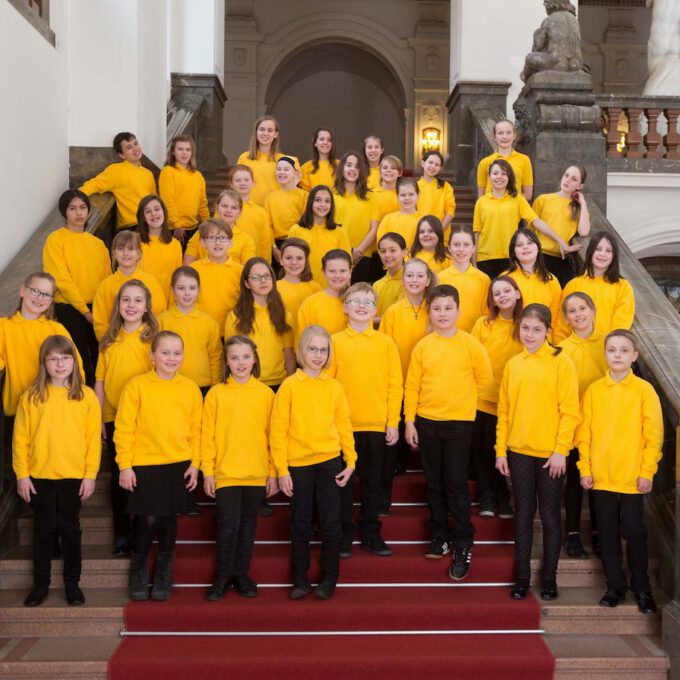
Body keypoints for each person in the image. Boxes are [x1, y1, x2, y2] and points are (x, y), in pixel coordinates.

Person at [405, 284, 492, 580]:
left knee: (455, 482)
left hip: (459, 424)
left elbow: (484, 378)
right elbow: (412, 386)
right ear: (431, 311)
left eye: (448, 308)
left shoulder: (469, 344)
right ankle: (440, 534)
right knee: (434, 482)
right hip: (428, 422)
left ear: (458, 310)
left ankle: (464, 539)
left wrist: (461, 401)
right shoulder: (423, 346)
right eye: (437, 308)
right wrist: (409, 421)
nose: (442, 313)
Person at [496, 303, 580, 601]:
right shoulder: (514, 364)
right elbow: (504, 411)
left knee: (549, 514)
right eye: (525, 328)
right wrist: (500, 451)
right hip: (518, 449)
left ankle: (549, 578)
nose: (530, 334)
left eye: (536, 329)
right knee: (523, 513)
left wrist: (561, 451)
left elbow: (570, 411)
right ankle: (521, 578)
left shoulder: (561, 362)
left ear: (548, 331)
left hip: (550, 454)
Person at [576, 329, 663, 615]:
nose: (617, 355)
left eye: (624, 350)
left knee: (635, 532)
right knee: (608, 533)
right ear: (605, 354)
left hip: (632, 478)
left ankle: (642, 588)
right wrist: (585, 469)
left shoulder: (644, 391)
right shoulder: (594, 391)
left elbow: (654, 435)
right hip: (601, 477)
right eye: (612, 349)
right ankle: (615, 586)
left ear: (634, 356)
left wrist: (647, 471)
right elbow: (583, 435)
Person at [13, 335, 101, 607]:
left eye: (65, 358)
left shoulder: (85, 396)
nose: (59, 364)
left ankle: (72, 584)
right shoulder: (32, 395)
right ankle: (41, 584)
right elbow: (20, 439)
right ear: (44, 363)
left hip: (74, 474)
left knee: (70, 529)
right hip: (40, 474)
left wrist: (90, 474)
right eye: (52, 358)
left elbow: (92, 440)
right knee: (43, 529)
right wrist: (22, 474)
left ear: (74, 361)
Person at [270, 324, 356, 600]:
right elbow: (278, 431)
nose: (318, 355)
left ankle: (329, 578)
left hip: (329, 462)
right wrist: (281, 470)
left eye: (323, 349)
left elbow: (344, 426)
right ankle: (300, 579)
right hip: (298, 465)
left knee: (331, 524)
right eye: (313, 349)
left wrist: (350, 461)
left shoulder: (334, 387)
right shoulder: (289, 386)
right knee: (300, 522)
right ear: (301, 350)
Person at [116, 331, 202, 602]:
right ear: (152, 355)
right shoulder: (137, 386)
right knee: (148, 518)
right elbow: (124, 429)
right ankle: (139, 567)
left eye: (177, 353)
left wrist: (196, 464)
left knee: (168, 519)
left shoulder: (189, 388)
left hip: (178, 463)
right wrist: (125, 465)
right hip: (144, 462)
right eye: (165, 352)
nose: (171, 358)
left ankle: (164, 571)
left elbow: (197, 430)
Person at [328, 283, 402, 558]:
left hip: (375, 424)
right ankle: (344, 533)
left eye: (368, 302)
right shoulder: (334, 342)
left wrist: (392, 421)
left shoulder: (385, 343)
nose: (362, 306)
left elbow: (395, 385)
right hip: (343, 427)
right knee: (343, 484)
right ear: (345, 306)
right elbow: (327, 385)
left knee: (373, 483)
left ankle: (371, 531)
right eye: (355, 301)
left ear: (375, 310)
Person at [201, 335, 276, 600]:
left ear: (254, 359)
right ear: (227, 362)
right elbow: (206, 436)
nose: (241, 362)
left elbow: (273, 437)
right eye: (234, 357)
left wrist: (274, 472)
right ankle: (222, 576)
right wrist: (207, 471)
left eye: (246, 357)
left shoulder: (266, 394)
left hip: (256, 474)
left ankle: (241, 574)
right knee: (227, 526)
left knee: (247, 526)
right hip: (226, 474)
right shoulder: (216, 394)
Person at [95, 280, 157, 556]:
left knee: (141, 478)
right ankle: (122, 535)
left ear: (146, 308)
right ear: (118, 306)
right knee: (120, 478)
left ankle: (141, 534)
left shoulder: (153, 339)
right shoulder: (109, 341)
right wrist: (98, 418)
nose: (131, 306)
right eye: (126, 300)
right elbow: (100, 381)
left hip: (144, 419)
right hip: (113, 416)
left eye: (137, 301)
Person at [378, 258, 436, 512]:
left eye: (419, 276)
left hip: (427, 386)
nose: (414, 280)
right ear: (403, 280)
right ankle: (385, 494)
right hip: (397, 382)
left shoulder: (435, 310)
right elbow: (385, 350)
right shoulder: (392, 312)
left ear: (427, 280)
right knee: (393, 442)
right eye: (409, 275)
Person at [43, 190, 111, 385]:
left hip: (97, 309)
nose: (78, 213)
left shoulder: (98, 244)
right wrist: (84, 311)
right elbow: (61, 280)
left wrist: (100, 310)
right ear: (65, 212)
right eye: (72, 208)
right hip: (70, 310)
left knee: (101, 360)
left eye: (82, 208)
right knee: (76, 358)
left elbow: (107, 281)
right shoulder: (55, 240)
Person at [558, 292, 606, 558]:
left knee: (600, 480)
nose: (578, 314)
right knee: (575, 481)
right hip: (576, 424)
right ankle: (574, 534)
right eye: (572, 311)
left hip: (603, 423)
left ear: (593, 310)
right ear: (566, 318)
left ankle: (600, 532)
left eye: (582, 308)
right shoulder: (563, 350)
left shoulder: (608, 343)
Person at [471, 276, 524, 518]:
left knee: (498, 449)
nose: (501, 296)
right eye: (496, 293)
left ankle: (503, 496)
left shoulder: (525, 325)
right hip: (481, 397)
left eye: (506, 291)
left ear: (517, 293)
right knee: (481, 449)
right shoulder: (484, 323)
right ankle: (487, 496)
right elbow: (472, 358)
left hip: (509, 400)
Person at [473, 159, 576, 280]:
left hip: (510, 257)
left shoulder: (517, 199)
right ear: (489, 177)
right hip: (485, 258)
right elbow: (477, 234)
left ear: (509, 177)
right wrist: (474, 263)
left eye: (504, 173)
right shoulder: (481, 202)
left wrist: (560, 241)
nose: (499, 177)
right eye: (495, 173)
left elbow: (536, 222)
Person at [0, 272, 80, 423]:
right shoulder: (4, 326)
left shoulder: (57, 329)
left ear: (51, 301)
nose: (39, 297)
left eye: (45, 294)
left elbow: (76, 367)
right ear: (22, 291)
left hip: (53, 406)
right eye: (35, 291)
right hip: (17, 410)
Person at [224, 258, 296, 390]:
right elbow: (230, 354)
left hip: (278, 383)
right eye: (256, 277)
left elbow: (289, 354)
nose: (263, 281)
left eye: (267, 276)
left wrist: (289, 386)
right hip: (247, 383)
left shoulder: (285, 315)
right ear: (247, 283)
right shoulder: (235, 316)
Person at [554, 231, 635, 343]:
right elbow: (562, 325)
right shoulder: (574, 285)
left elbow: (621, 326)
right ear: (590, 252)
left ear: (614, 255)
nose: (602, 254)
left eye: (608, 250)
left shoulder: (623, 287)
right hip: (575, 353)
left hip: (605, 352)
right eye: (598, 249)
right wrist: (559, 350)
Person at [92, 230, 167, 341]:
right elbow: (100, 322)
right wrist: (110, 342)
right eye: (121, 249)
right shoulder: (106, 285)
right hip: (116, 345)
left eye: (131, 249)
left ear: (139, 253)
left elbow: (160, 315)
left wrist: (150, 340)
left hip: (145, 343)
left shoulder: (150, 282)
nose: (126, 253)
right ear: (114, 253)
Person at [158, 267, 222, 395]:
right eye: (181, 288)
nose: (187, 293)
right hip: (169, 384)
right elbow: (154, 355)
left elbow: (215, 357)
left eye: (192, 288)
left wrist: (215, 387)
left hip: (203, 386)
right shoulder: (162, 320)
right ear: (172, 290)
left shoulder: (209, 322)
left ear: (199, 290)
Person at [80, 132, 156, 231]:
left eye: (136, 143)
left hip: (151, 223)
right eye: (129, 147)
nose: (135, 149)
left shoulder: (148, 173)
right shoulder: (116, 171)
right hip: (132, 226)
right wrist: (77, 196)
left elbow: (155, 199)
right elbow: (95, 184)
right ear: (121, 155)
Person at [532, 165, 590, 286]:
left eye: (574, 179)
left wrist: (583, 202)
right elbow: (531, 230)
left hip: (562, 259)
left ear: (580, 186)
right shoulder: (543, 200)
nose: (568, 179)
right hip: (540, 256)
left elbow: (584, 231)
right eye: (566, 175)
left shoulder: (578, 208)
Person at [188, 219, 244, 333]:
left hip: (231, 330)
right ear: (203, 242)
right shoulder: (193, 269)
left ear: (230, 242)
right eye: (212, 238)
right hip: (201, 329)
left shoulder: (240, 270)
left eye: (223, 238)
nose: (217, 243)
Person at [288, 186, 351, 286]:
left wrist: (346, 291)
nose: (322, 205)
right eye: (318, 200)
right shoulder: (296, 230)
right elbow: (290, 264)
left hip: (331, 288)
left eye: (327, 201)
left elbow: (346, 265)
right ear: (310, 203)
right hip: (303, 286)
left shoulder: (340, 232)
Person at [332, 151, 379, 283]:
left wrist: (358, 251)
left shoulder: (371, 197)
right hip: (337, 253)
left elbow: (374, 229)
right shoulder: (332, 194)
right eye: (349, 165)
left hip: (362, 255)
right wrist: (346, 251)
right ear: (342, 168)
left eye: (357, 166)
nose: (353, 169)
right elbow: (329, 226)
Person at [158, 134, 209, 246]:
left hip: (194, 228)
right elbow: (167, 201)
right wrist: (177, 225)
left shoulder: (198, 175)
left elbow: (202, 203)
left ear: (192, 153)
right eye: (180, 149)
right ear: (173, 152)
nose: (184, 153)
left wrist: (207, 224)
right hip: (175, 229)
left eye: (188, 149)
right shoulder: (168, 172)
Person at [438, 225, 490, 332]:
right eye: (456, 245)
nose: (461, 249)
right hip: (447, 337)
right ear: (449, 248)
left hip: (474, 339)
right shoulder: (440, 278)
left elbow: (487, 315)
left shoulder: (483, 279)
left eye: (466, 245)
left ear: (473, 248)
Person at [504, 227, 562, 324]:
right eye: (519, 245)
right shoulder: (506, 279)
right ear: (513, 252)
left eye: (530, 243)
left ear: (538, 248)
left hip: (544, 337)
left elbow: (557, 317)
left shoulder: (551, 280)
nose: (525, 247)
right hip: (512, 335)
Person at [184, 189, 256, 266]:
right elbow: (188, 263)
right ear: (217, 208)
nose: (228, 210)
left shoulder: (247, 240)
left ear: (240, 212)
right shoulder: (201, 233)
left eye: (234, 208)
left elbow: (247, 270)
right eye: (224, 206)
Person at [296, 249, 351, 343]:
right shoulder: (310, 304)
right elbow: (302, 342)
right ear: (324, 272)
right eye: (332, 271)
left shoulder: (358, 302)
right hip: (320, 356)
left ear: (350, 272)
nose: (337, 275)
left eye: (342, 271)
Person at [137, 195, 183, 298]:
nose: (153, 214)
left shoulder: (175, 245)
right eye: (148, 211)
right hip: (141, 304)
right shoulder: (135, 243)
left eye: (157, 209)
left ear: (164, 212)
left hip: (167, 305)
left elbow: (177, 280)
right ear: (143, 217)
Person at [236, 115, 287, 207]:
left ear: (276, 134)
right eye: (262, 129)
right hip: (249, 210)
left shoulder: (284, 160)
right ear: (256, 132)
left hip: (275, 209)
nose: (265, 133)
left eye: (270, 130)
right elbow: (236, 186)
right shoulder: (244, 158)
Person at [476, 120, 534, 201]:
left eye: (508, 133)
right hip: (491, 210)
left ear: (514, 136)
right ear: (494, 137)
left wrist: (508, 204)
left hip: (514, 210)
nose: (504, 137)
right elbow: (481, 196)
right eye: (500, 133)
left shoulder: (524, 160)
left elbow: (528, 194)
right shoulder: (484, 162)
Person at [264, 157, 308, 261]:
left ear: (295, 173)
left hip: (298, 243)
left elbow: (305, 223)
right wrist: (274, 248)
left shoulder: (304, 196)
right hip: (277, 246)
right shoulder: (270, 198)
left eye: (286, 169)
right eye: (279, 169)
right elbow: (267, 226)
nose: (281, 172)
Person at [229, 164, 273, 261]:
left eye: (246, 180)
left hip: (254, 263)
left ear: (253, 183)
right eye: (238, 180)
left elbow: (265, 242)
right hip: (230, 262)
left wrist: (265, 263)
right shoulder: (224, 210)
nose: (242, 183)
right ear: (231, 184)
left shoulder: (261, 212)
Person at [276, 238, 322, 327]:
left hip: (306, 338)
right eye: (288, 258)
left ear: (306, 260)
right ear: (281, 260)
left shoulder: (315, 288)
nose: (294, 262)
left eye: (299, 258)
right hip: (281, 339)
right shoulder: (274, 288)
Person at [417, 151, 456, 242]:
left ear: (440, 168)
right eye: (430, 162)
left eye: (437, 164)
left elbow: (450, 211)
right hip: (419, 235)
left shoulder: (446, 186)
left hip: (441, 235)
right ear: (423, 163)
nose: (433, 166)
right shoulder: (415, 186)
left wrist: (438, 232)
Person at [376, 177, 423, 250]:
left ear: (418, 195)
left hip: (418, 260)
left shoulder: (424, 220)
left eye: (411, 194)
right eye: (403, 195)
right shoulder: (388, 220)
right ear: (397, 196)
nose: (407, 198)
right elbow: (381, 246)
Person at [373, 232, 407, 321]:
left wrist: (367, 321)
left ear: (404, 252)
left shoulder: (409, 283)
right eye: (383, 251)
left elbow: (397, 316)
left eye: (393, 250)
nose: (387, 255)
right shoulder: (377, 285)